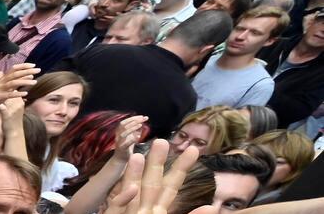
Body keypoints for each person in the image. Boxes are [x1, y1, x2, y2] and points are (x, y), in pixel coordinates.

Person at [75, 8, 230, 138]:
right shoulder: (185, 97)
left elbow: (55, 80)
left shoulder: (103, 51)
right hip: (100, 166)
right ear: (206, 50)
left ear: (171, 30)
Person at [193, 4, 284, 109]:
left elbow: (236, 124)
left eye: (255, 33)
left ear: (269, 41)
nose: (240, 37)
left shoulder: (259, 85)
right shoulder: (203, 56)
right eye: (239, 29)